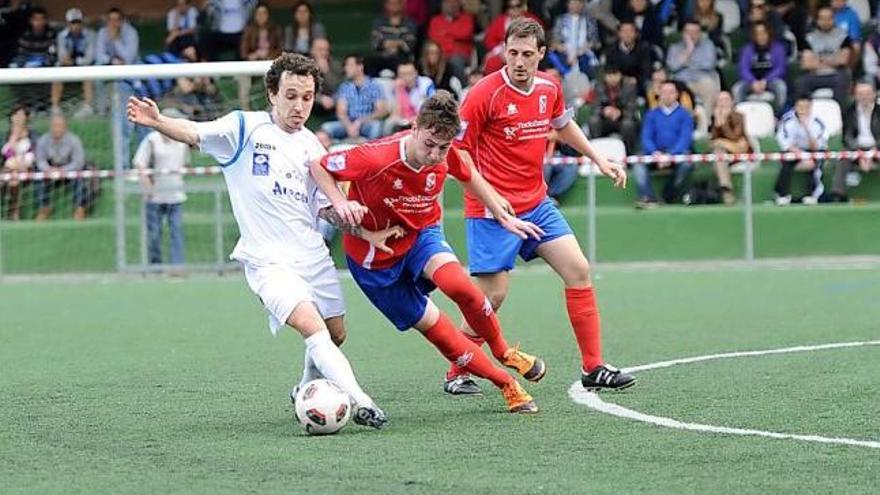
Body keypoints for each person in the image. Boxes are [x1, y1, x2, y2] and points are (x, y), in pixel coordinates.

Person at [127, 53, 391, 429]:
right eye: (291, 95)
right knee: (313, 329)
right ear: (272, 93)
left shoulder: (314, 147)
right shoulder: (244, 128)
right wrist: (159, 121)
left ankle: (304, 387)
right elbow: (196, 131)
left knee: (335, 334)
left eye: (307, 97)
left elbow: (323, 208)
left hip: (312, 255)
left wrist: (351, 218)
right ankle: (361, 400)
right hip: (268, 261)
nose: (299, 106)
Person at [310, 91, 546, 411]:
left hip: (421, 235)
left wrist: (502, 214)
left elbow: (466, 174)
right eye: (429, 145)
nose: (436, 155)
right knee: (441, 332)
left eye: (444, 148)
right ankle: (506, 383)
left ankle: (504, 351)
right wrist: (342, 203)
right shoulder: (376, 157)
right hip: (374, 264)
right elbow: (318, 166)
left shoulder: (445, 152)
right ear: (415, 126)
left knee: (461, 287)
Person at [449, 18, 635, 394]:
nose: (519, 61)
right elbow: (457, 153)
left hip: (535, 203)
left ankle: (593, 367)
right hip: (491, 211)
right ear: (504, 51)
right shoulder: (484, 94)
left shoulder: (549, 87)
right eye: (512, 53)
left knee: (578, 269)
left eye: (527, 54)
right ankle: (457, 370)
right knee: (492, 297)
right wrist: (491, 199)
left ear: (542, 55)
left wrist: (597, 159)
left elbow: (563, 125)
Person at [133, 107, 191, 266]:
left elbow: (185, 164)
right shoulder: (152, 140)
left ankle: (177, 266)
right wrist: (148, 184)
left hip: (176, 195)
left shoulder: (181, 142)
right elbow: (140, 163)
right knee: (154, 234)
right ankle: (155, 266)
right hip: (155, 196)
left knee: (176, 232)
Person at [636, 80, 696, 208]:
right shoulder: (651, 115)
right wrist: (654, 153)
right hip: (656, 153)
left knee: (687, 164)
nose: (667, 95)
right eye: (664, 92)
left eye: (671, 92)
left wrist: (671, 154)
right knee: (638, 165)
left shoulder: (685, 115)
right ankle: (649, 197)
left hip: (677, 153)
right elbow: (646, 137)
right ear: (659, 94)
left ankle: (667, 195)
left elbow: (685, 139)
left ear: (677, 94)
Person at [774, 95, 829, 206]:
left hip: (813, 150)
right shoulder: (787, 120)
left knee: (817, 160)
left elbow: (816, 146)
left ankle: (813, 194)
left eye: (806, 107)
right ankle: (782, 194)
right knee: (787, 159)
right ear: (795, 107)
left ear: (811, 107)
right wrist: (801, 155)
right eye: (800, 107)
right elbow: (785, 142)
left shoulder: (818, 122)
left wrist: (805, 127)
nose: (803, 110)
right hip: (795, 150)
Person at [319, 54, 388, 141]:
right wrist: (349, 127)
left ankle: (371, 151)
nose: (346, 68)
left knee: (376, 126)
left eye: (350, 65)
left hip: (367, 123)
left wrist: (360, 122)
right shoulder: (345, 86)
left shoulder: (374, 85)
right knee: (326, 127)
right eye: (346, 65)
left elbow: (381, 111)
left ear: (360, 67)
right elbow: (341, 112)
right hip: (347, 124)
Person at [34, 114, 89, 221]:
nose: (57, 129)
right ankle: (44, 208)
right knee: (39, 175)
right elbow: (40, 160)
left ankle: (79, 208)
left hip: (69, 169)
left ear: (65, 127)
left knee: (80, 176)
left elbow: (79, 162)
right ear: (50, 127)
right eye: (54, 126)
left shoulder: (74, 140)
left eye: (60, 126)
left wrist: (63, 170)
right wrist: (49, 170)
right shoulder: (43, 140)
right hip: (51, 169)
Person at [831, 82, 880, 202]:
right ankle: (838, 194)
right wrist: (860, 154)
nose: (864, 97)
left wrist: (873, 152)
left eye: (867, 94)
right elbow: (846, 137)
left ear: (874, 94)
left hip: (877, 148)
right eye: (860, 94)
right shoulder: (849, 111)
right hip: (856, 148)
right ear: (855, 95)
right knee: (843, 158)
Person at [796, 6, 852, 105]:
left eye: (828, 18)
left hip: (837, 74)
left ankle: (840, 115)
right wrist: (833, 61)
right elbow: (807, 64)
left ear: (833, 19)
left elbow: (843, 61)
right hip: (815, 75)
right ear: (817, 20)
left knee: (842, 80)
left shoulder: (843, 36)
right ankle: (804, 115)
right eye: (822, 18)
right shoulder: (809, 38)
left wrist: (818, 61)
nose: (825, 21)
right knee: (801, 82)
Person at [732, 21, 787, 113]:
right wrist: (753, 82)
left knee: (781, 87)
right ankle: (741, 116)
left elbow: (780, 68)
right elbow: (743, 69)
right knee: (737, 89)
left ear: (768, 33)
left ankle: (777, 115)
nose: (761, 36)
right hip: (751, 81)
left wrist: (765, 81)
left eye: (763, 33)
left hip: (771, 80)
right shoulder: (748, 49)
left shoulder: (777, 48)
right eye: (758, 33)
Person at [666, 19, 720, 113]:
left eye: (695, 32)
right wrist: (688, 50)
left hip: (702, 80)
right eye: (689, 32)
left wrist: (685, 63)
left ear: (700, 34)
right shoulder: (674, 48)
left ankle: (706, 123)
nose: (692, 35)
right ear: (683, 33)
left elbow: (709, 64)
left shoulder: (708, 45)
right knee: (670, 89)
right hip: (681, 82)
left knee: (709, 85)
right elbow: (672, 66)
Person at [53, 8, 96, 118]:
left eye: (78, 22)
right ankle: (55, 107)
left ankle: (88, 107)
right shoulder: (62, 36)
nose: (75, 26)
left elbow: (90, 57)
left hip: (83, 65)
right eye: (73, 23)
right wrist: (66, 60)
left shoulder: (90, 35)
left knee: (88, 72)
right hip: (67, 66)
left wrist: (77, 62)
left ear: (81, 23)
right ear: (68, 23)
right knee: (56, 70)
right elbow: (61, 56)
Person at [238, 2, 282, 109]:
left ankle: (271, 108)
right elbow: (243, 51)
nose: (261, 16)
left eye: (264, 14)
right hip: (253, 61)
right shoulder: (249, 29)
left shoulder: (275, 29)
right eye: (259, 14)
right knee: (243, 77)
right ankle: (246, 109)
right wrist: (252, 55)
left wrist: (268, 55)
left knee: (268, 77)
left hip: (269, 62)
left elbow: (279, 49)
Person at [709, 91, 750, 206]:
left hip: (739, 152)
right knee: (718, 152)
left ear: (732, 102)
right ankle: (726, 188)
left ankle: (726, 190)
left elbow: (736, 137)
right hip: (722, 153)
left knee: (721, 149)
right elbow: (713, 140)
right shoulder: (714, 117)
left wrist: (723, 124)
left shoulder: (739, 116)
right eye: (720, 100)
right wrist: (717, 124)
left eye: (726, 100)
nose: (723, 103)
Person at [588, 65, 639, 152]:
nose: (612, 78)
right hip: (604, 120)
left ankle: (628, 153)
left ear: (620, 75)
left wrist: (620, 112)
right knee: (593, 121)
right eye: (609, 75)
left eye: (615, 75)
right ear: (605, 76)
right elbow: (594, 107)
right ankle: (596, 152)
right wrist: (603, 111)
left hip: (622, 119)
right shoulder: (598, 86)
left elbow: (632, 108)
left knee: (628, 124)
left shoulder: (629, 86)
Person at [1, 105, 37, 221]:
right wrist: (14, 137)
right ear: (11, 118)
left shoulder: (32, 135)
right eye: (16, 115)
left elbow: (34, 154)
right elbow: (6, 154)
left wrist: (22, 164)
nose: (19, 118)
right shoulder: (6, 136)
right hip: (9, 168)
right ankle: (11, 212)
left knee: (14, 179)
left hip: (27, 167)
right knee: (9, 178)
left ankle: (14, 213)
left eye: (22, 115)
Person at [547, 0, 600, 77]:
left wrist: (587, 47)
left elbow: (595, 42)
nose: (576, 5)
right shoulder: (560, 20)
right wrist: (561, 47)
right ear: (568, 4)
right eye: (573, 2)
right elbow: (555, 41)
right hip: (564, 53)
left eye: (579, 3)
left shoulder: (590, 21)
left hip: (583, 54)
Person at [427, 0, 475, 80]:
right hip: (440, 53)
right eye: (448, 3)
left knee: (455, 60)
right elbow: (433, 37)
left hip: (459, 55)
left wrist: (446, 32)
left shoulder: (467, 18)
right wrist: (455, 35)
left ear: (459, 4)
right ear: (442, 5)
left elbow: (466, 34)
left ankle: (462, 89)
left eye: (454, 2)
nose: (451, 5)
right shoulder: (435, 20)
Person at [384, 60, 436, 135]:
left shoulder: (426, 84)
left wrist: (417, 118)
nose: (406, 77)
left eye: (409, 74)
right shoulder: (396, 86)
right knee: (389, 124)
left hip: (423, 120)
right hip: (403, 121)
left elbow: (433, 107)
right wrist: (399, 90)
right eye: (402, 74)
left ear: (416, 73)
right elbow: (395, 113)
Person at [603, 20, 655, 91]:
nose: (627, 34)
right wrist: (621, 78)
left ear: (636, 33)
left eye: (631, 31)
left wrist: (636, 79)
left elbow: (647, 70)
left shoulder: (644, 48)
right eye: (624, 31)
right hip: (618, 81)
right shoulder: (611, 49)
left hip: (638, 82)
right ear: (619, 33)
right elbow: (609, 67)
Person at [370, 0, 418, 74]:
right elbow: (375, 43)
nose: (394, 6)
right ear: (386, 5)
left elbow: (410, 45)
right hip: (382, 60)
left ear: (402, 5)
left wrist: (387, 42)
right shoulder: (379, 22)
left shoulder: (410, 23)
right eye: (391, 3)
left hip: (403, 60)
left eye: (397, 3)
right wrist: (398, 42)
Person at [310, 38, 343, 117]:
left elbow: (337, 87)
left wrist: (326, 71)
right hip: (313, 104)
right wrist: (320, 99)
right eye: (320, 50)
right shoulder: (305, 65)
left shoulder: (335, 64)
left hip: (332, 104)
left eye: (326, 50)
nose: (323, 53)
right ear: (312, 51)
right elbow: (302, 89)